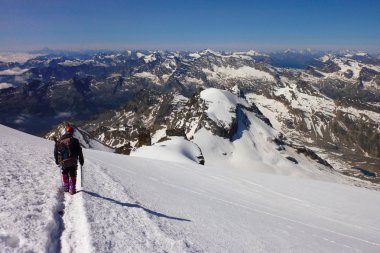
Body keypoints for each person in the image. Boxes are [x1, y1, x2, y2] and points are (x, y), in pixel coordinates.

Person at [54, 125, 84, 194]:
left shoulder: (59, 141)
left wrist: (57, 160)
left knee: (65, 172)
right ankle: (72, 189)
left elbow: (56, 151)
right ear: (72, 133)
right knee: (73, 173)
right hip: (73, 160)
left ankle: (66, 187)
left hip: (63, 161)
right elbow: (79, 151)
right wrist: (81, 160)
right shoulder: (75, 140)